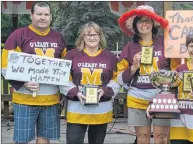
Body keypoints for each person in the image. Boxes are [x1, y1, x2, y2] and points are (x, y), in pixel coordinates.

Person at [1, 2, 67, 143]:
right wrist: (23, 82)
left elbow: (64, 69)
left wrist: (63, 92)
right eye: (39, 14)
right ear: (31, 15)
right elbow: (5, 66)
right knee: (22, 139)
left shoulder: (59, 37)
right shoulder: (18, 35)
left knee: (44, 138)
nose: (42, 18)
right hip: (25, 99)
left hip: (51, 99)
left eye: (46, 14)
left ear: (50, 16)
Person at [117, 5, 180, 144]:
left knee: (161, 138)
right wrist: (133, 67)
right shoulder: (129, 47)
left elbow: (177, 71)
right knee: (143, 138)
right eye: (140, 20)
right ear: (135, 24)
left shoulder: (166, 42)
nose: (144, 24)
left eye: (148, 20)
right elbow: (120, 78)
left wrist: (170, 86)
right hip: (137, 98)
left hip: (162, 97)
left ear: (153, 23)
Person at [59, 22, 120, 144]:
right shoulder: (72, 55)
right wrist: (75, 92)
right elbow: (62, 77)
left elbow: (117, 79)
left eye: (95, 34)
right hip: (77, 108)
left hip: (101, 110)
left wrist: (105, 90)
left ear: (100, 36)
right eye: (88, 35)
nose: (92, 37)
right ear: (83, 37)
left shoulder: (110, 57)